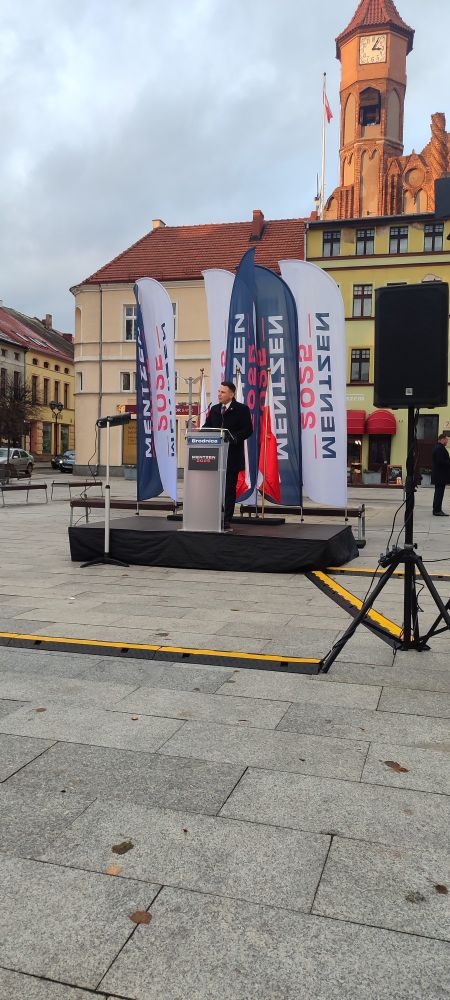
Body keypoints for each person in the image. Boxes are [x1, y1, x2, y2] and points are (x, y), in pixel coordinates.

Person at [203, 381, 253, 531]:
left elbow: (248, 430)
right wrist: (197, 431)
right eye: (219, 391)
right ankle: (212, 517)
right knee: (214, 489)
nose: (219, 394)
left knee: (229, 490)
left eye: (223, 392)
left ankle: (226, 520)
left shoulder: (242, 409)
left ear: (231, 394)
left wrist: (233, 437)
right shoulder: (215, 409)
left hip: (232, 457)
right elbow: (207, 427)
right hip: (215, 457)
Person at [431, 431, 450, 516]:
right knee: (439, 493)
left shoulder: (438, 447)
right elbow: (441, 461)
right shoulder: (439, 448)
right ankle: (437, 510)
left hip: (439, 475)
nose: (447, 441)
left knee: (438, 493)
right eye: (446, 439)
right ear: (442, 439)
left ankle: (436, 509)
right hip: (440, 475)